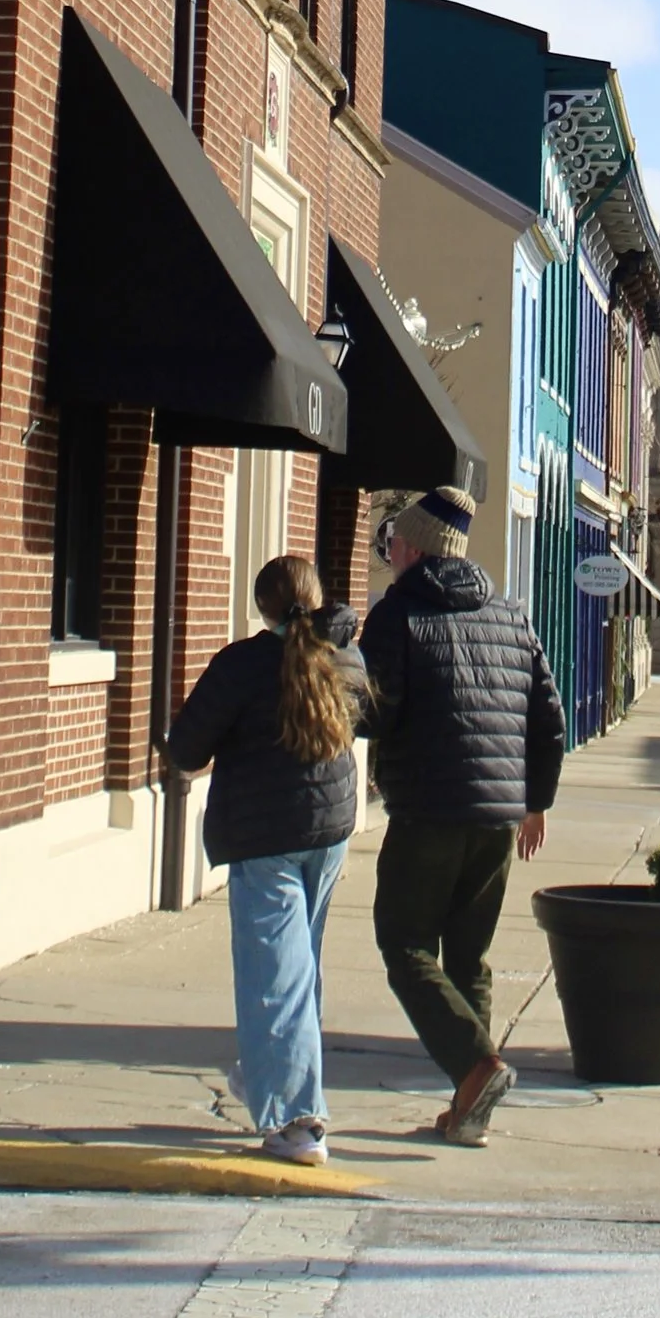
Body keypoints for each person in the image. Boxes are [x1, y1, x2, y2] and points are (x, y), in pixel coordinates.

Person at [363, 486, 566, 1146]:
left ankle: (476, 1067)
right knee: (469, 957)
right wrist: (535, 801)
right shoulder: (511, 615)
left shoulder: (397, 615)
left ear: (416, 549)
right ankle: (470, 1108)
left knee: (405, 945)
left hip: (428, 808)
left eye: (394, 542)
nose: (389, 551)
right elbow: (549, 720)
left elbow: (377, 709)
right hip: (499, 815)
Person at [161, 551, 365, 1167]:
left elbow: (187, 749)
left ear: (262, 605)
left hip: (265, 835)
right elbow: (370, 716)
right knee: (297, 966)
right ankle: (266, 1072)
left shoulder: (242, 665)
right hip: (329, 828)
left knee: (275, 978)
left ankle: (301, 1122)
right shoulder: (344, 658)